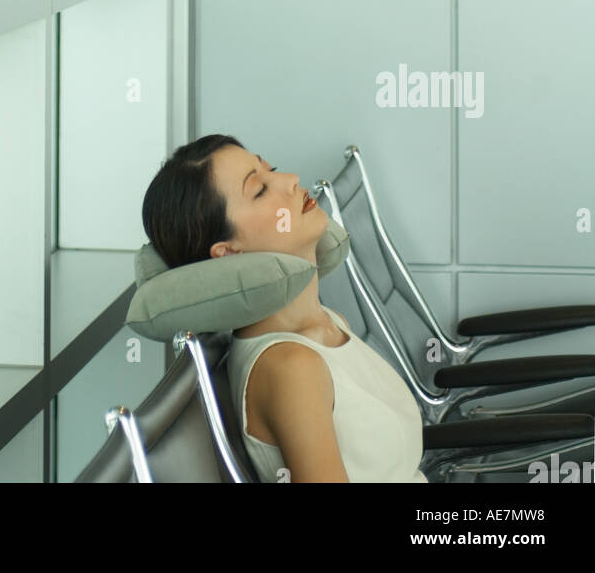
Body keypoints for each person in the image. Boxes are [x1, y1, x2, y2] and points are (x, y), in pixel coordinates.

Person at [141, 133, 428, 483]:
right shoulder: (291, 368)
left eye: (270, 169)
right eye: (259, 189)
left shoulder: (326, 323)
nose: (290, 180)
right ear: (229, 253)